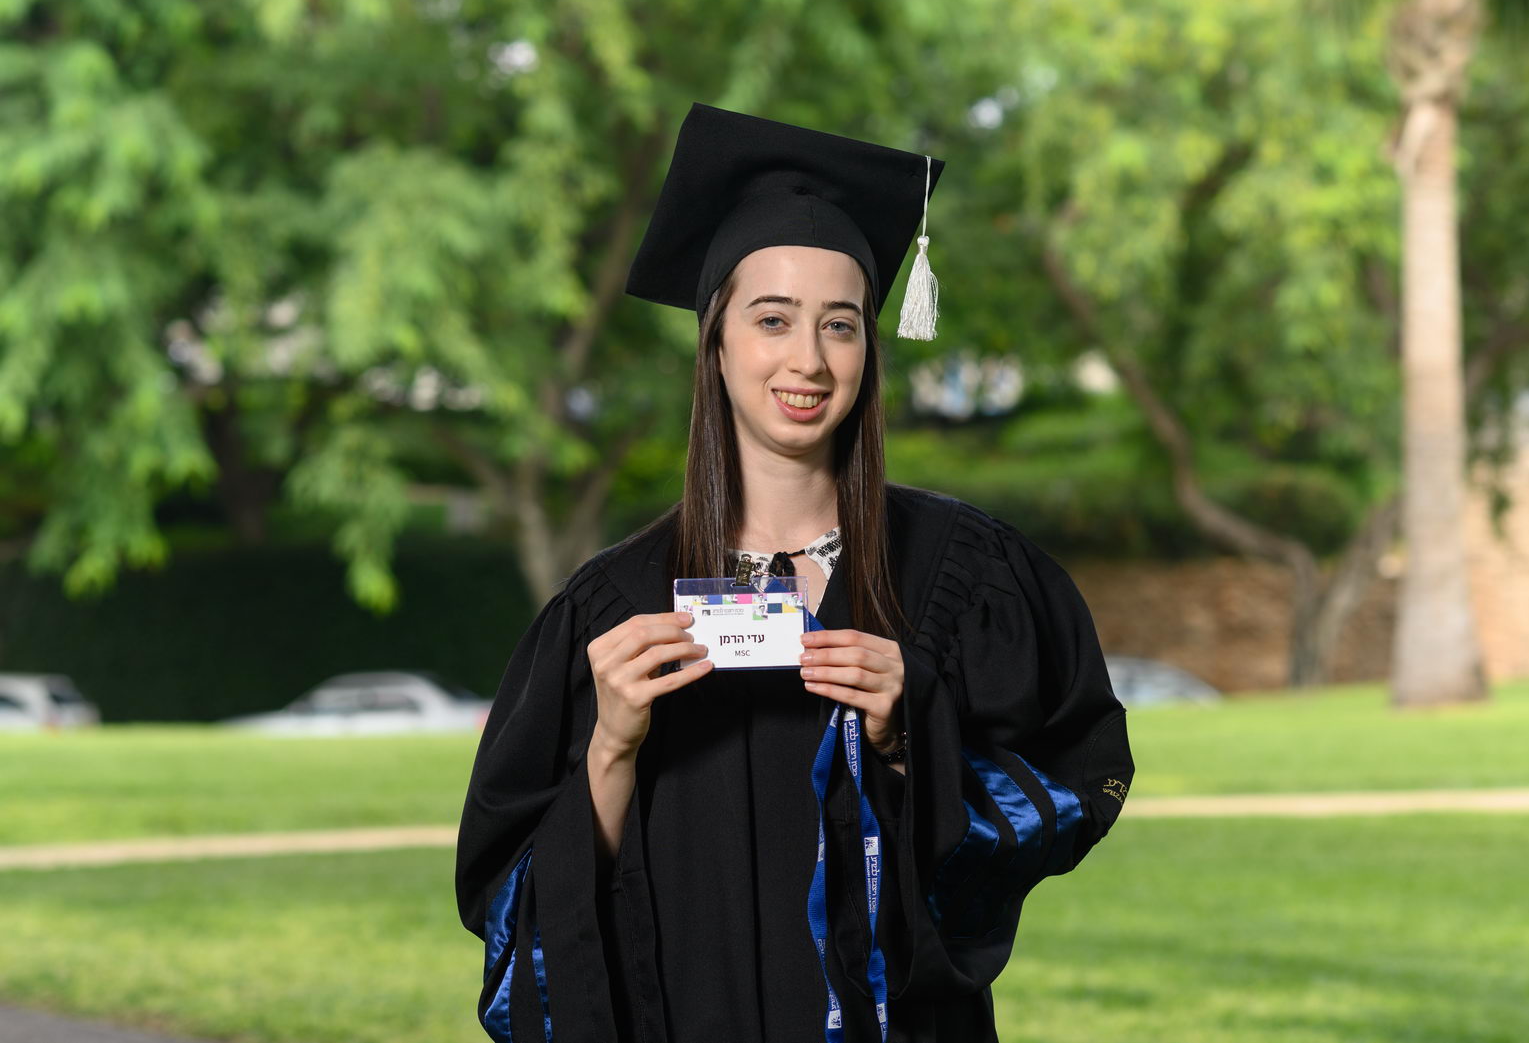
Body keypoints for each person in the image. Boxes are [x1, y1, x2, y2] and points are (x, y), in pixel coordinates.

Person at [455, 102, 1135, 1043]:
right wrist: (610, 744)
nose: (807, 360)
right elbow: (518, 917)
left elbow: (1071, 790)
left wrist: (912, 733)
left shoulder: (963, 575)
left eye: (840, 325)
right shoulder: (609, 610)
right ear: (716, 340)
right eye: (772, 319)